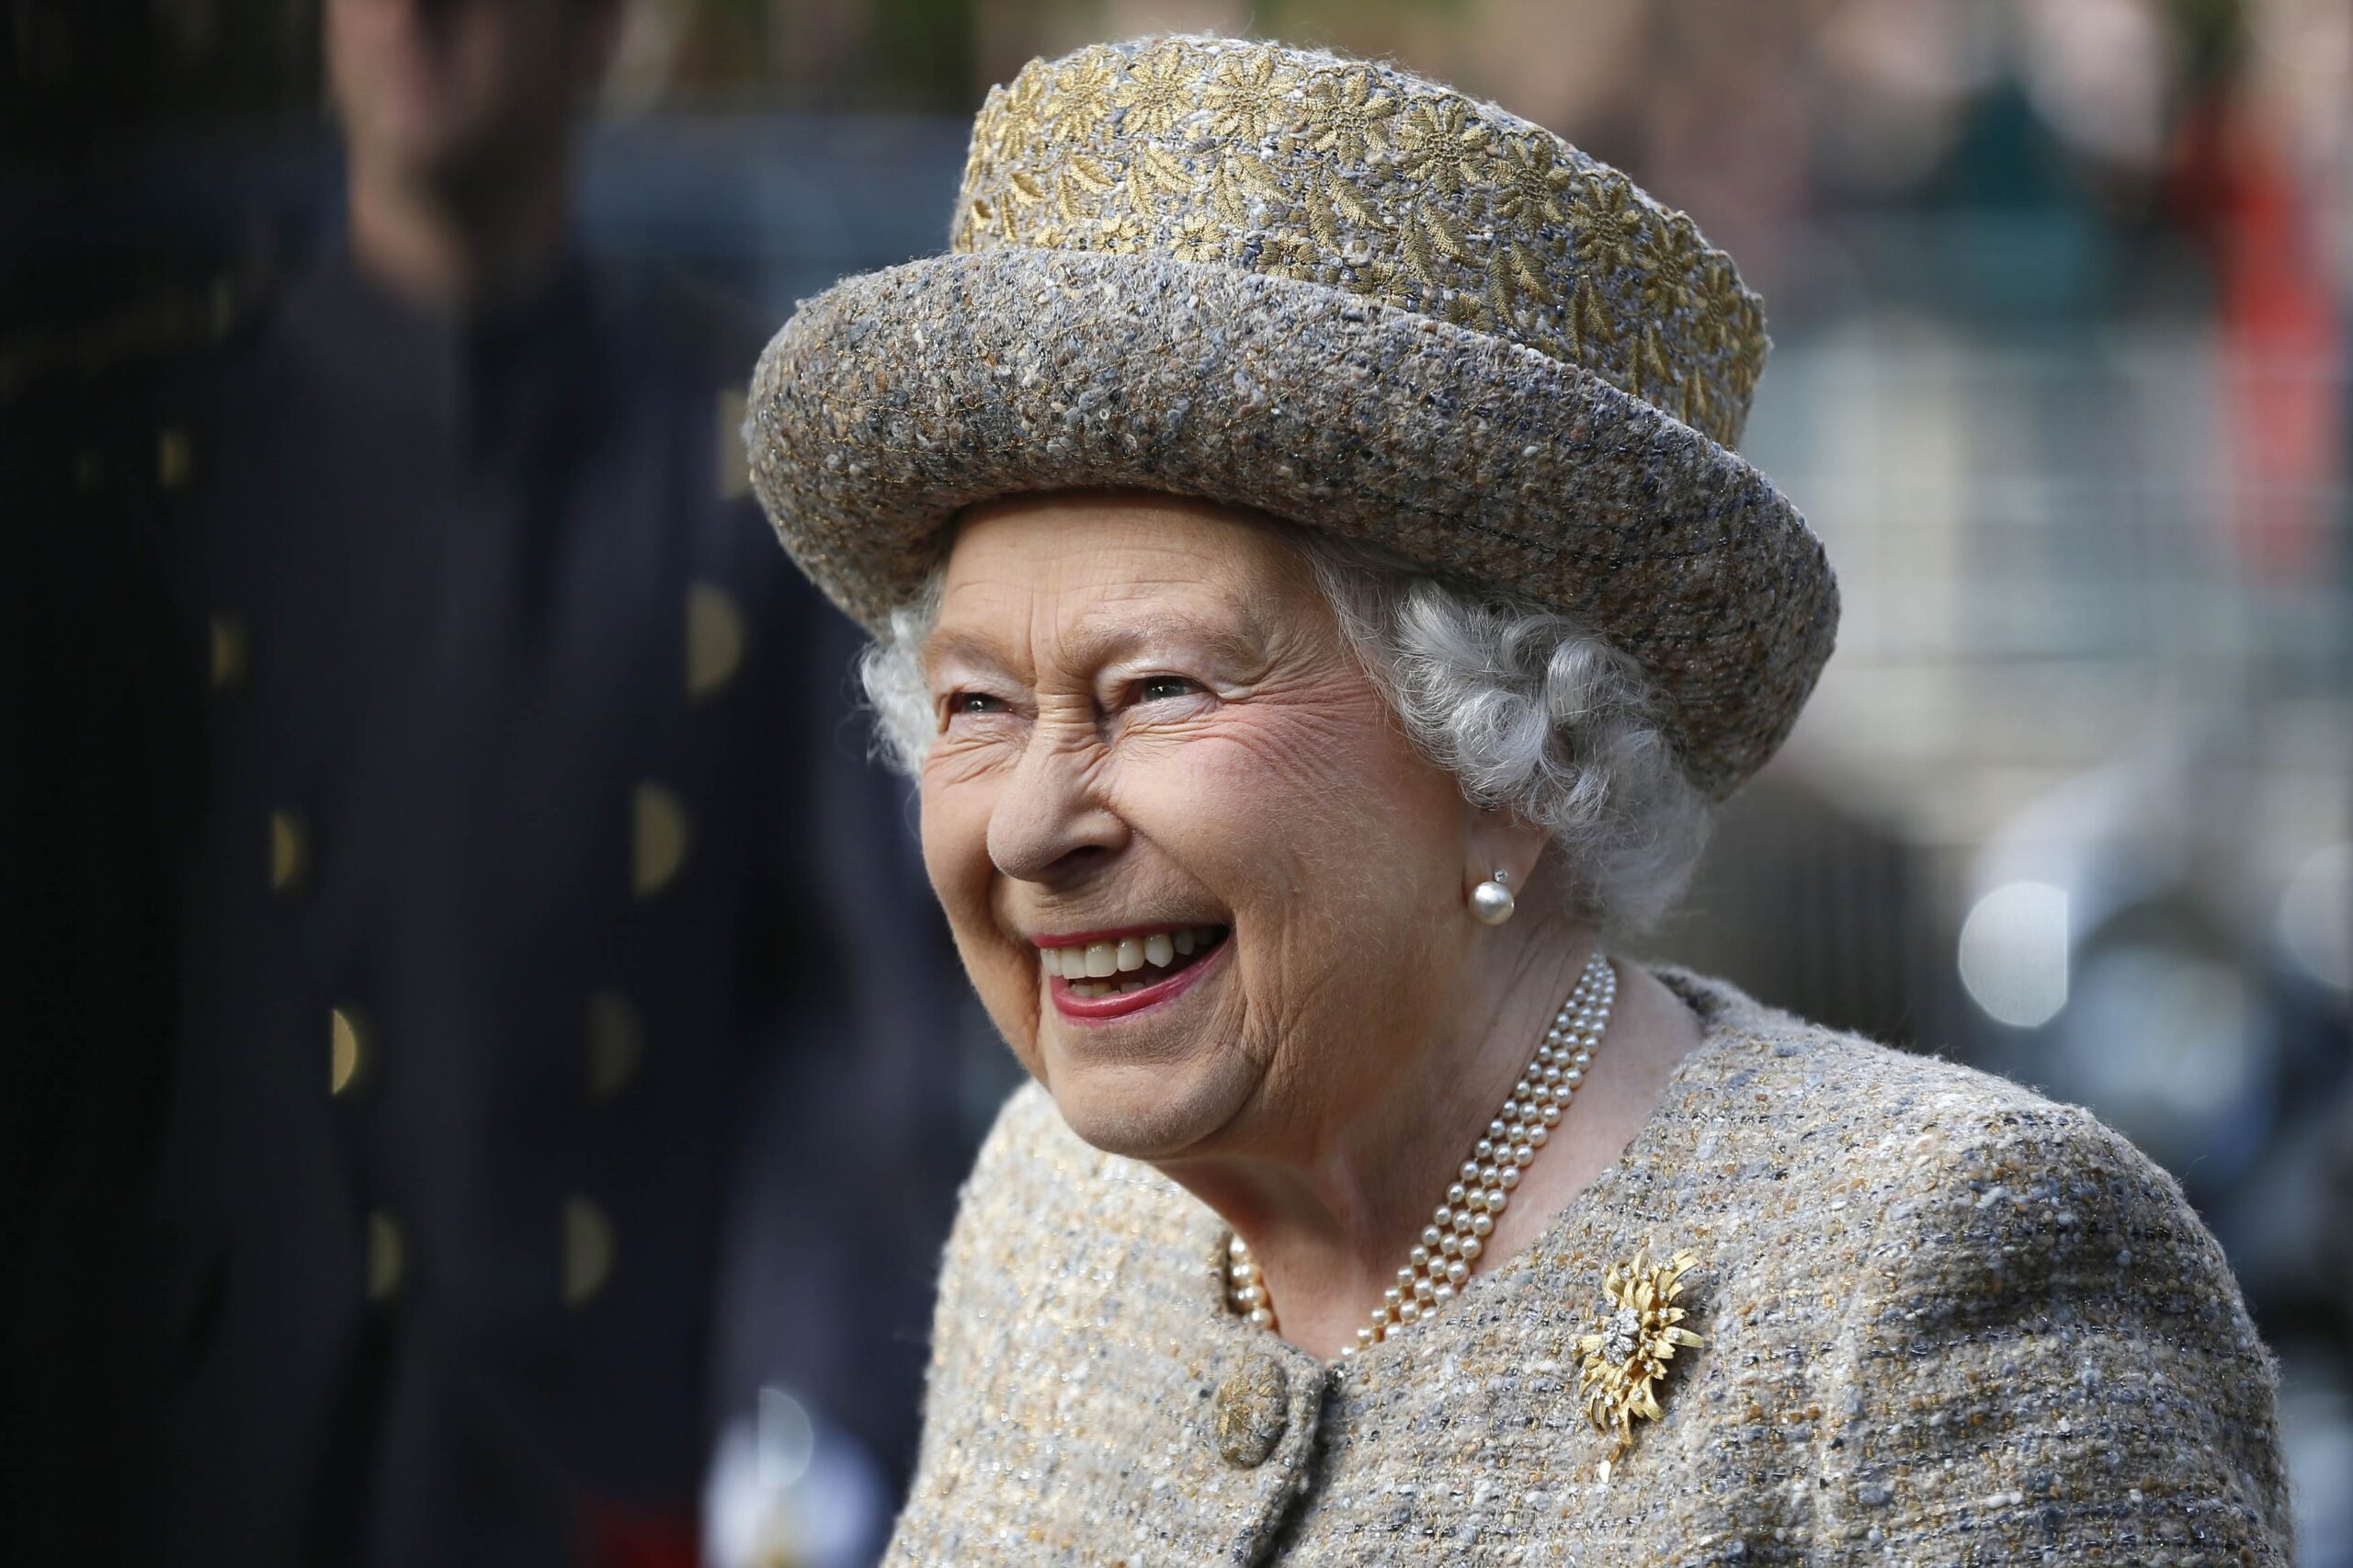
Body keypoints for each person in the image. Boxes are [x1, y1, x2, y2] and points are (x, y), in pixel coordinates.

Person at [739, 35, 2295, 1562]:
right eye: (977, 706)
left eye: (1155, 689)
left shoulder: (1932, 1291)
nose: (1027, 825)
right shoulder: (1051, 1217)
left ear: (1510, 765)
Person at [17, 0, 961, 1562]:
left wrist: (802, 1424)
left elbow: (852, 1035)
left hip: (616, 1478)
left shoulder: (738, 494)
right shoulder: (122, 488)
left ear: (598, 29)